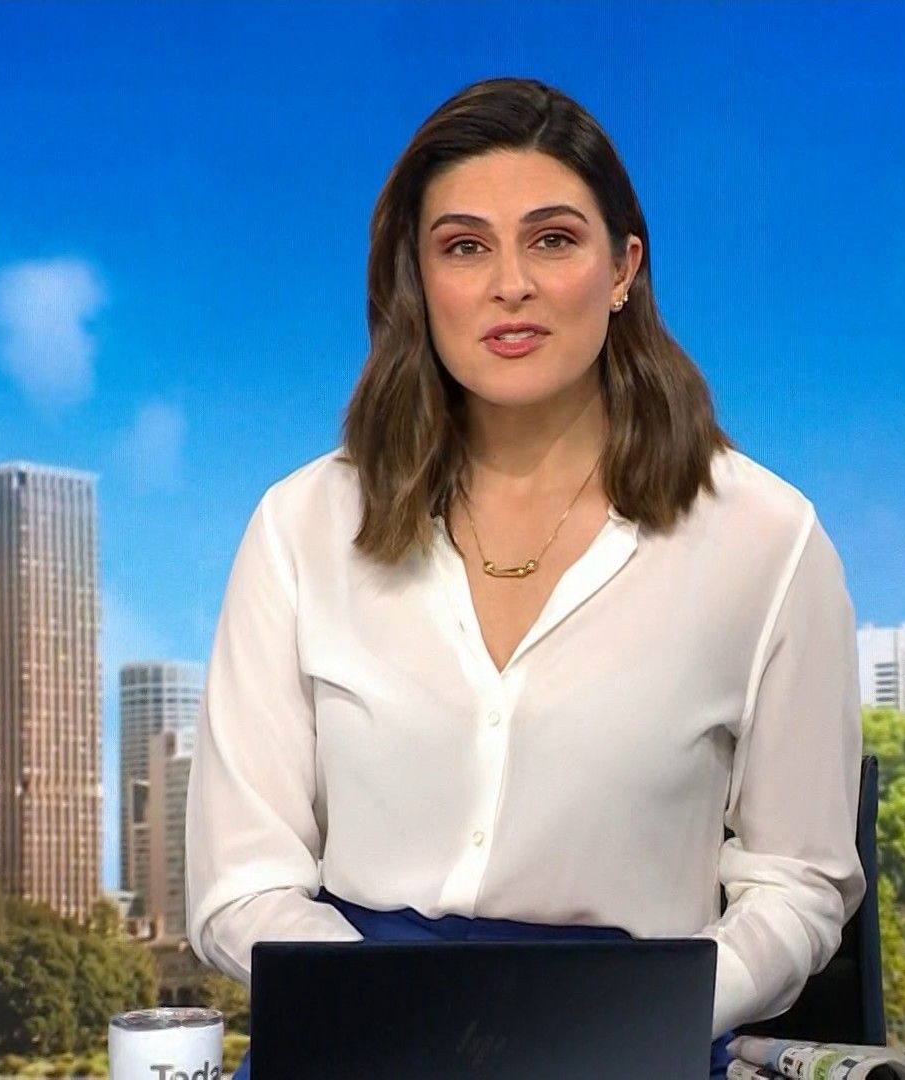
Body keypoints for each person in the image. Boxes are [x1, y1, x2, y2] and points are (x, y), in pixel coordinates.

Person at [184, 76, 865, 1079]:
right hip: (354, 1040)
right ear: (418, 280)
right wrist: (402, 1014)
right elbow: (242, 882)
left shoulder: (768, 539)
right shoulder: (299, 526)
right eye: (465, 247)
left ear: (624, 267)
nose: (511, 285)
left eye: (552, 240)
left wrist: (622, 1011)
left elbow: (799, 883)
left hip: (630, 1043)